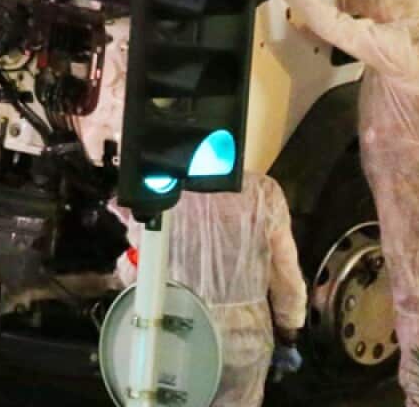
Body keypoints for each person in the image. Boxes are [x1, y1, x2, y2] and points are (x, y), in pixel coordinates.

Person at [261, 0, 419, 406]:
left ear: (387, 13)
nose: (368, 16)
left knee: (417, 299)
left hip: (415, 186)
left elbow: (341, 29)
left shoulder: (402, 46)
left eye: (373, 12)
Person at [113, 172, 308, 406]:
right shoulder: (264, 192)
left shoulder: (156, 191)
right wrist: (289, 335)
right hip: (244, 343)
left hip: (176, 339)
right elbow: (286, 276)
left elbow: (138, 273)